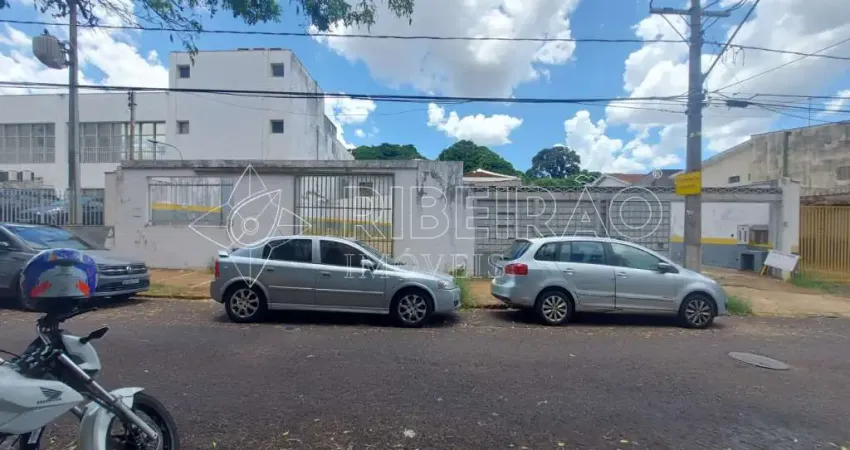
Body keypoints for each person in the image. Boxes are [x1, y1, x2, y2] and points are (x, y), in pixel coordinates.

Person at [19, 248, 98, 313]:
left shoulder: (46, 273)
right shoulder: (80, 274)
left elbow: (35, 290)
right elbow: (86, 288)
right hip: (75, 300)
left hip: (44, 301)